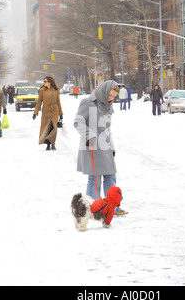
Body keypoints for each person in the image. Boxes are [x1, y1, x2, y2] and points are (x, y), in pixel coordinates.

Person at [74, 80, 127, 215]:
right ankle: (93, 208)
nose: (111, 99)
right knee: (95, 178)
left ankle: (112, 206)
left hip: (105, 146)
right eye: (110, 95)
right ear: (104, 92)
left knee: (111, 176)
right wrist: (88, 135)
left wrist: (112, 146)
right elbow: (78, 122)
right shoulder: (88, 103)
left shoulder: (108, 106)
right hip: (92, 146)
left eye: (114, 97)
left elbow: (107, 129)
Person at [33, 76, 63, 150]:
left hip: (54, 112)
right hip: (46, 113)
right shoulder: (42, 91)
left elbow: (58, 102)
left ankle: (53, 143)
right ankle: (48, 144)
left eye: (45, 81)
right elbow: (39, 102)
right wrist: (35, 112)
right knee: (47, 128)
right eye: (44, 81)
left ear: (50, 82)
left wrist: (61, 113)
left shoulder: (56, 90)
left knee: (54, 128)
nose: (44, 83)